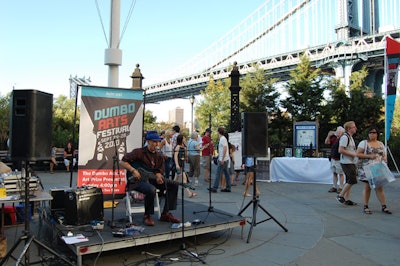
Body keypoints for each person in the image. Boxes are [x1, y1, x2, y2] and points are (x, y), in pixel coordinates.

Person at [120, 130, 180, 226]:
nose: (157, 144)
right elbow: (122, 162)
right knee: (151, 189)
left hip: (151, 179)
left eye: (158, 142)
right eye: (154, 142)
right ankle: (147, 215)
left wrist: (159, 175)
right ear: (148, 142)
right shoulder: (138, 152)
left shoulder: (159, 156)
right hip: (136, 181)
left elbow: (159, 171)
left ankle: (166, 213)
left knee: (173, 185)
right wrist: (133, 170)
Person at [336, 121, 376, 206]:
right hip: (346, 162)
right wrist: (354, 154)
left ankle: (347, 199)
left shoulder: (350, 137)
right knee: (352, 179)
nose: (356, 128)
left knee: (349, 180)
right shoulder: (345, 137)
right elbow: (341, 150)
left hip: (351, 161)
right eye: (354, 127)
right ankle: (340, 195)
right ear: (349, 128)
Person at [357, 126, 392, 215]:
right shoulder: (364, 143)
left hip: (378, 168)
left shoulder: (380, 143)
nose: (372, 134)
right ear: (368, 134)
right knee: (367, 187)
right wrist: (369, 156)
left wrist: (384, 159)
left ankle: (384, 206)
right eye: (371, 133)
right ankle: (366, 206)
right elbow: (358, 154)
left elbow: (384, 154)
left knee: (379, 187)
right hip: (367, 168)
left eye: (374, 132)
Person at [208, 127, 231, 192]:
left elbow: (225, 148)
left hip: (223, 159)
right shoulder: (223, 139)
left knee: (218, 173)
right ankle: (228, 187)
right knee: (226, 173)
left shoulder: (222, 139)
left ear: (219, 132)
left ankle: (215, 187)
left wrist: (222, 159)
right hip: (224, 158)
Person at [174, 134, 197, 198]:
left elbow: (186, 154)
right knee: (184, 180)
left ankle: (168, 190)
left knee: (175, 180)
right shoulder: (178, 146)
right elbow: (175, 156)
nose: (185, 140)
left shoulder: (183, 146)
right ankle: (189, 193)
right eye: (184, 138)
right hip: (179, 165)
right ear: (181, 139)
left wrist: (186, 146)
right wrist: (177, 164)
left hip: (182, 164)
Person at [325, 126, 345, 193]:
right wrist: (328, 135)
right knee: (334, 173)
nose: (338, 133)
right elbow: (327, 142)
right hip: (333, 158)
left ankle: (341, 187)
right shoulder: (334, 138)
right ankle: (334, 186)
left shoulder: (343, 139)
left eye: (339, 132)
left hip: (339, 159)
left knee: (341, 173)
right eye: (337, 131)